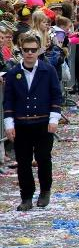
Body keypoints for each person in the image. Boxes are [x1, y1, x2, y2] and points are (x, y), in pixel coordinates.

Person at [3, 33, 63, 211]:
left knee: (44, 158)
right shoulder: (14, 74)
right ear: (21, 50)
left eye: (33, 50)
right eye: (26, 50)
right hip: (22, 125)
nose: (29, 53)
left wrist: (54, 118)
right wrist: (9, 124)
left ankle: (45, 191)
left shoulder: (48, 70)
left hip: (43, 123)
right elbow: (8, 100)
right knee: (23, 162)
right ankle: (26, 196)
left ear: (39, 51)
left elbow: (56, 95)